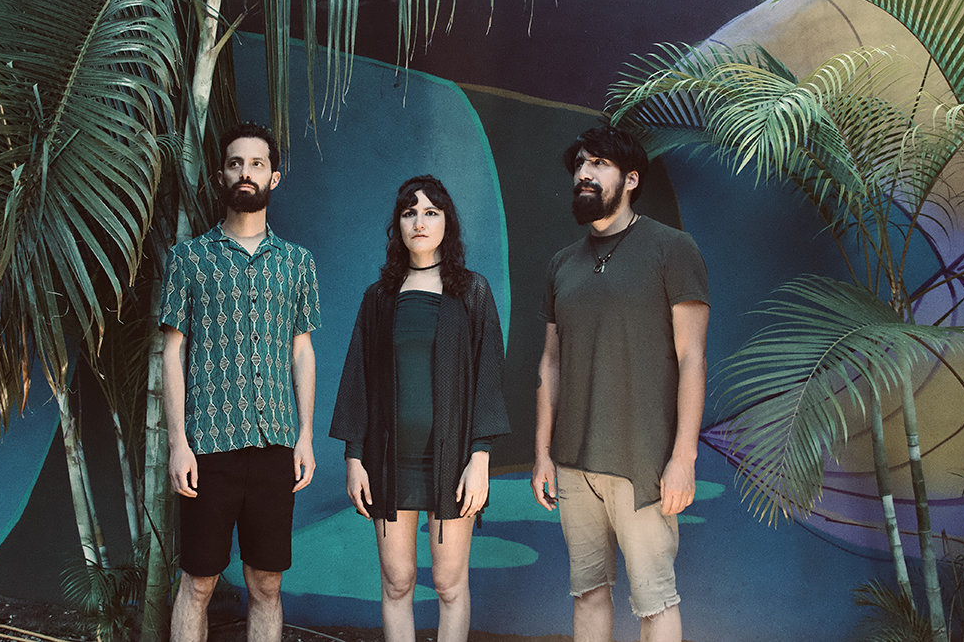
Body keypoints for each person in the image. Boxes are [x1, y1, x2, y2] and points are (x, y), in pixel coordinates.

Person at [530, 123, 710, 642]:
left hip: (644, 463)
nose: (584, 174)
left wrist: (684, 458)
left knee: (655, 602)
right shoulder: (562, 264)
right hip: (573, 463)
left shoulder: (672, 248)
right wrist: (542, 453)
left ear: (631, 179)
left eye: (599, 164)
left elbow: (692, 356)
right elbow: (550, 364)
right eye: (580, 165)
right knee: (587, 593)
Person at [330, 175, 509, 642]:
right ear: (398, 226)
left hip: (453, 464)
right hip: (389, 462)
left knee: (449, 584)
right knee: (398, 581)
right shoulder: (379, 298)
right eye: (410, 212)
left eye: (431, 212)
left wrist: (480, 456)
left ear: (447, 222)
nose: (420, 221)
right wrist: (354, 458)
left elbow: (488, 376)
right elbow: (359, 378)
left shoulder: (472, 292)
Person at [160, 122, 320, 642]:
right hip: (207, 448)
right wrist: (178, 443)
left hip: (275, 445)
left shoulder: (297, 263)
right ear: (220, 175)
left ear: (275, 177)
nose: (245, 172)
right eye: (235, 163)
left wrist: (306, 436)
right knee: (198, 582)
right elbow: (173, 352)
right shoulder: (189, 259)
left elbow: (302, 351)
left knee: (267, 584)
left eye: (256, 164)